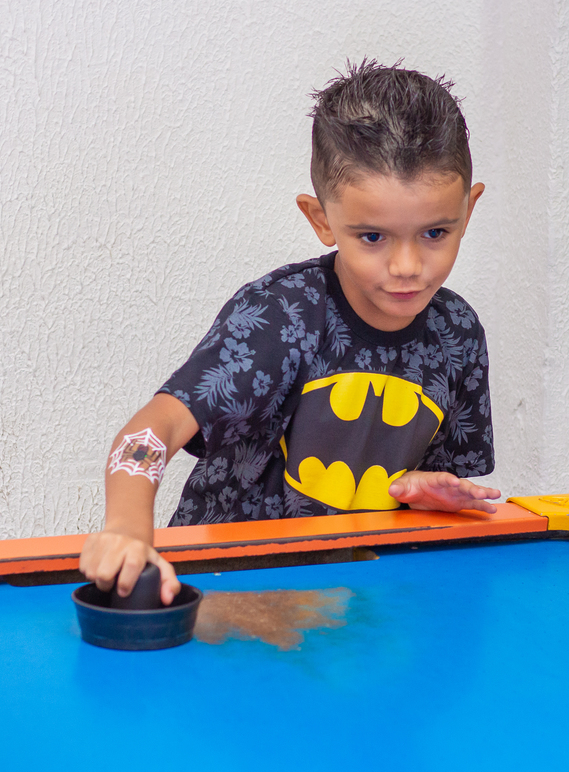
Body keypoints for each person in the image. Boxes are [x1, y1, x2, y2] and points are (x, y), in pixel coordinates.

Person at [80, 60, 500, 605]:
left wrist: (427, 493)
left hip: (357, 600)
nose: (406, 265)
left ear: (468, 211)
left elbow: (454, 492)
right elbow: (152, 431)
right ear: (321, 219)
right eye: (372, 236)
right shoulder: (280, 317)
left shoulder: (459, 333)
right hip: (224, 590)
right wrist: (128, 529)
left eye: (435, 232)